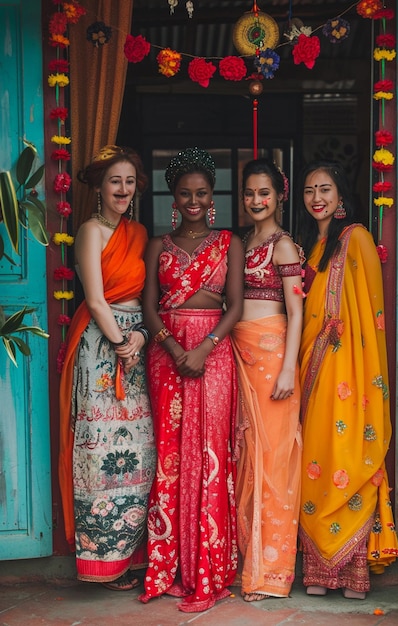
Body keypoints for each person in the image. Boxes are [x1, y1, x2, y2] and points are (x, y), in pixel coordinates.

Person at [139, 147, 244, 612]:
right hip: (167, 356)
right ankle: (171, 567)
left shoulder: (229, 242)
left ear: (212, 194)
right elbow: (148, 306)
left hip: (214, 354)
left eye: (202, 192)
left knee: (209, 453)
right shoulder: (157, 246)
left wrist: (202, 348)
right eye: (185, 193)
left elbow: (235, 305)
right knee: (171, 454)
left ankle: (209, 569)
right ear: (173, 197)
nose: (194, 200)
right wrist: (174, 346)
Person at [296, 160, 398, 599]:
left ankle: (353, 570)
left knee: (347, 454)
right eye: (308, 191)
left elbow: (370, 312)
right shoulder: (308, 246)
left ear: (340, 195)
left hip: (350, 372)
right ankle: (321, 573)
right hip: (313, 371)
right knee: (315, 461)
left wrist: (354, 363)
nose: (317, 198)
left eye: (325, 189)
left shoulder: (354, 237)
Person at [59, 145, 156, 590]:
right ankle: (102, 557)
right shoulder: (90, 232)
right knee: (101, 452)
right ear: (99, 187)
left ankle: (132, 553)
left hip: (135, 343)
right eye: (114, 181)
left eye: (130, 181)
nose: (123, 189)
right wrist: (120, 343)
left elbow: (147, 297)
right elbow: (96, 299)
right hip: (102, 347)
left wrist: (140, 336)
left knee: (138, 452)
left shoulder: (137, 232)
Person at [231, 158, 303, 602]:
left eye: (264, 193)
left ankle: (271, 571)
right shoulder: (242, 240)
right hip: (238, 354)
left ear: (280, 195)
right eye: (250, 193)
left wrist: (289, 367)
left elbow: (295, 312)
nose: (256, 200)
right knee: (245, 459)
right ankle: (247, 562)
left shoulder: (284, 247)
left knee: (273, 462)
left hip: (273, 357)